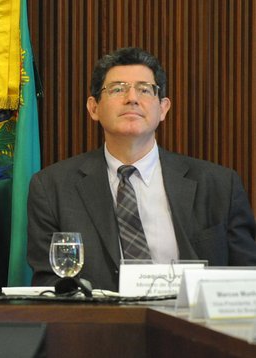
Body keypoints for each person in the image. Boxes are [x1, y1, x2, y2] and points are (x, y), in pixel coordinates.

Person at [27, 47, 256, 291]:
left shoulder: (219, 185)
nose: (132, 98)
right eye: (117, 89)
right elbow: (51, 285)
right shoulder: (52, 188)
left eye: (145, 89)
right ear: (94, 108)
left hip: (192, 325)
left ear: (163, 108)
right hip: (100, 326)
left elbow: (247, 279)